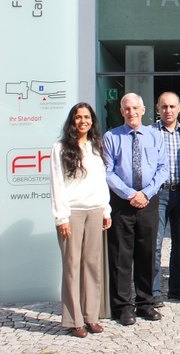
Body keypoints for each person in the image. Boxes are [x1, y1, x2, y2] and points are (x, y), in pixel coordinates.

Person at [104, 93, 168, 325]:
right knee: (121, 257)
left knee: (147, 254)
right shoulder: (111, 137)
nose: (131, 112)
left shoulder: (154, 136)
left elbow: (163, 168)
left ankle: (145, 303)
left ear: (143, 110)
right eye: (127, 109)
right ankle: (122, 307)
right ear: (122, 111)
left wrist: (146, 194)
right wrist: (130, 194)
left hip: (148, 201)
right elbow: (108, 171)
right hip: (122, 203)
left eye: (135, 108)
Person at [50, 103, 111, 338]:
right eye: (78, 117)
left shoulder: (96, 147)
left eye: (87, 117)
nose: (82, 121)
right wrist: (61, 217)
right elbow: (56, 184)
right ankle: (74, 320)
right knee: (72, 267)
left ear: (92, 121)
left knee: (92, 266)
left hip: (95, 210)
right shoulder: (60, 148)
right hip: (72, 213)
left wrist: (106, 210)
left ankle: (91, 317)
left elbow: (100, 180)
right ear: (72, 121)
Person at [152, 92, 180, 306]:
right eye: (164, 106)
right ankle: (154, 290)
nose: (168, 110)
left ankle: (177, 287)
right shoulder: (149, 133)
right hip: (158, 194)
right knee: (156, 243)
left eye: (172, 106)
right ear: (158, 108)